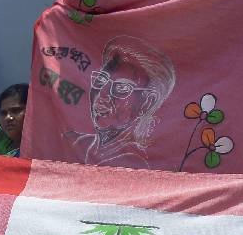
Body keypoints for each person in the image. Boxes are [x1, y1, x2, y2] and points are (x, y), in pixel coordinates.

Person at [62, 35, 176, 168]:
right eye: (101, 80)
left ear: (147, 103)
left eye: (122, 87)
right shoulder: (77, 143)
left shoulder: (134, 164)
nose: (102, 95)